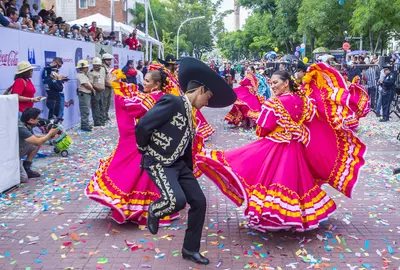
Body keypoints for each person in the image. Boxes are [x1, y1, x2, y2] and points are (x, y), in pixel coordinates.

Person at [196, 64, 367, 232]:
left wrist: (275, 130)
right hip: (297, 149)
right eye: (271, 83)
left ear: (286, 83)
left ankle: (276, 218)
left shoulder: (275, 103)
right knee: (296, 183)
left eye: (276, 82)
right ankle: (295, 217)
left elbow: (262, 129)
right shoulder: (303, 100)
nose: (273, 86)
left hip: (276, 148)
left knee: (263, 175)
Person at [136, 57, 236, 265]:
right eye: (207, 98)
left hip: (180, 166)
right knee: (176, 201)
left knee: (199, 202)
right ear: (199, 90)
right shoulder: (172, 101)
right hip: (159, 162)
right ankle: (155, 210)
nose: (207, 103)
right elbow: (143, 126)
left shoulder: (192, 114)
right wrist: (145, 150)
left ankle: (190, 249)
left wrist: (188, 168)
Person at [86, 68, 182, 225]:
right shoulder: (164, 97)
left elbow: (135, 108)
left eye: (147, 81)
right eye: (144, 79)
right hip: (159, 145)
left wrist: (119, 89)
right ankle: (154, 209)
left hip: (145, 143)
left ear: (157, 84)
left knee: (134, 174)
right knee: (151, 178)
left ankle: (137, 209)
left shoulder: (152, 99)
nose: (144, 83)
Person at [19, 108, 59, 180]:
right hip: (14, 155)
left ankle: (26, 167)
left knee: (36, 145)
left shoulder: (26, 124)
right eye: (37, 118)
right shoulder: (22, 128)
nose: (39, 120)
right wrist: (49, 134)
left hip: (20, 149)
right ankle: (20, 166)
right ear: (31, 120)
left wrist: (50, 136)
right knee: (23, 178)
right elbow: (37, 141)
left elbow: (33, 136)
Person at [76, 60, 95, 131]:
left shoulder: (84, 75)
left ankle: (85, 124)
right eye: (86, 67)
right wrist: (92, 89)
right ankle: (84, 125)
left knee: (86, 110)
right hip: (84, 94)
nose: (87, 68)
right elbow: (85, 84)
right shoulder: (81, 75)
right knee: (85, 110)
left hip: (86, 94)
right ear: (83, 68)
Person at [89, 57, 107, 126]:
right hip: (95, 92)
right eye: (95, 65)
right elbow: (91, 83)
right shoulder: (91, 73)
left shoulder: (102, 69)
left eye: (98, 65)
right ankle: (97, 122)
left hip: (102, 91)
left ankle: (102, 120)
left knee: (102, 106)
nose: (96, 67)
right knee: (96, 107)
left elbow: (104, 78)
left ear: (100, 65)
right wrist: (97, 88)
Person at [101, 53, 113, 122]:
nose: (109, 61)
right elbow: (104, 79)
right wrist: (111, 85)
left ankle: (106, 115)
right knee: (104, 103)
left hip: (109, 87)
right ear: (104, 60)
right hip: (105, 87)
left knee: (108, 103)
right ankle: (103, 117)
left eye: (110, 60)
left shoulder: (108, 68)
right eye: (107, 60)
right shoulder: (103, 68)